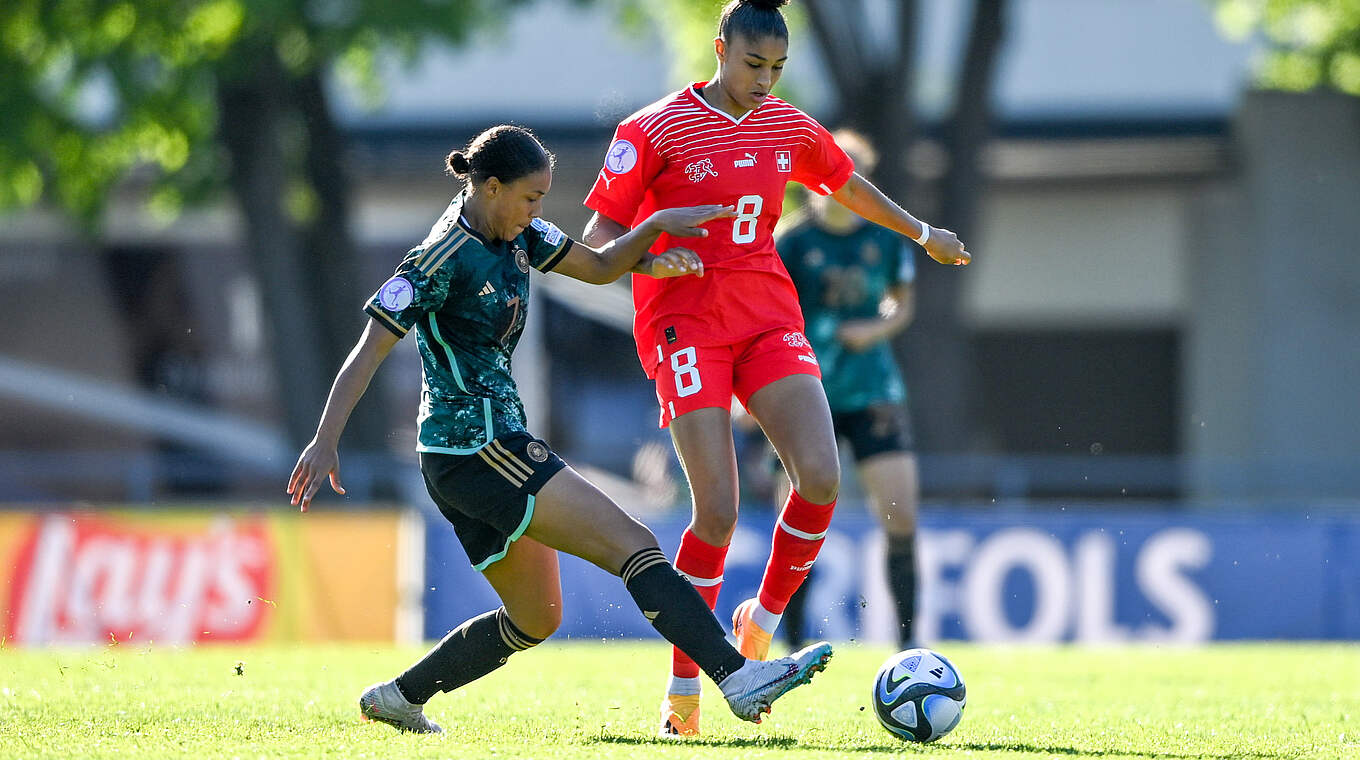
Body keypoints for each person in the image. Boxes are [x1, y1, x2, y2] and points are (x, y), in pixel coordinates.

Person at [286, 124, 833, 735]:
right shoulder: (436, 260)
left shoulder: (518, 232)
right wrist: (324, 438)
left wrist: (650, 239)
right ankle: (737, 677)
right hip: (480, 447)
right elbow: (367, 352)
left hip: (465, 456)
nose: (539, 212)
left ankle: (398, 697)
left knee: (536, 617)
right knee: (635, 546)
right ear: (491, 188)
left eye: (543, 199)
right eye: (530, 198)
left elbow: (599, 266)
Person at [581, 0, 969, 737]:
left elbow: (844, 184)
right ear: (720, 49)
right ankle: (684, 693)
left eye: (778, 69)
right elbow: (599, 237)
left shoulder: (788, 125)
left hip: (767, 316)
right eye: (754, 65)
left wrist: (921, 233)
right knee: (718, 512)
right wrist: (657, 254)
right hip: (683, 321)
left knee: (820, 477)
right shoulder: (652, 128)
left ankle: (760, 620)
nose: (765, 81)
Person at [774, 129, 925, 650]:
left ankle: (909, 646)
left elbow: (902, 306)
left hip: (873, 389)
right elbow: (768, 313)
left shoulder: (884, 238)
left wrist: (874, 329)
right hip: (803, 390)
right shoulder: (791, 241)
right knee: (794, 522)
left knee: (901, 515)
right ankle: (790, 646)